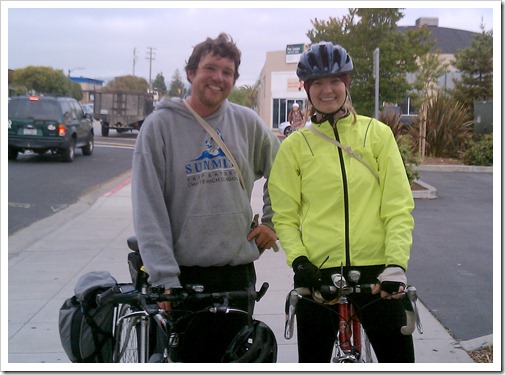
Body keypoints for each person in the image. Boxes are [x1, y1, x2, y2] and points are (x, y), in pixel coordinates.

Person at [131, 33, 280, 362]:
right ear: (191, 73)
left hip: (236, 275)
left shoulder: (247, 123)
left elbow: (284, 173)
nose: (218, 78)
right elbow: (148, 208)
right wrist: (164, 278)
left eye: (227, 72)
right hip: (182, 276)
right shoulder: (159, 127)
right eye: (210, 68)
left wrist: (273, 222)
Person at [268, 42, 416, 363]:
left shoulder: (377, 135)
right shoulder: (295, 146)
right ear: (307, 89)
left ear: (346, 84)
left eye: (334, 81)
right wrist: (299, 261)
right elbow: (285, 214)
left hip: (377, 273)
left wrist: (396, 264)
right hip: (318, 273)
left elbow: (397, 206)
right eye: (317, 83)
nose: (327, 90)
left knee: (401, 361)